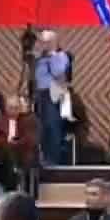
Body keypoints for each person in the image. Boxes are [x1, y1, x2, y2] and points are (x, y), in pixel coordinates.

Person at [33, 31, 70, 167]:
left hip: (53, 92)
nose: (42, 45)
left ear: (53, 43)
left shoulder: (61, 56)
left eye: (45, 42)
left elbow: (57, 72)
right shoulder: (40, 59)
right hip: (40, 93)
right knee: (41, 127)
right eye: (41, 42)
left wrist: (51, 56)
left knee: (52, 125)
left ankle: (53, 159)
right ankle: (43, 157)